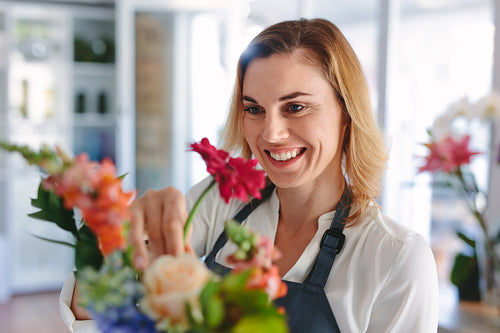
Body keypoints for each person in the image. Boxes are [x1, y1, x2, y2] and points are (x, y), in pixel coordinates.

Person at [60, 18, 439, 332]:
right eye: (254, 109)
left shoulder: (395, 258)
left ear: (346, 114)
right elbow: (102, 311)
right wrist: (107, 240)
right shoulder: (221, 201)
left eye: (295, 107)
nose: (270, 133)